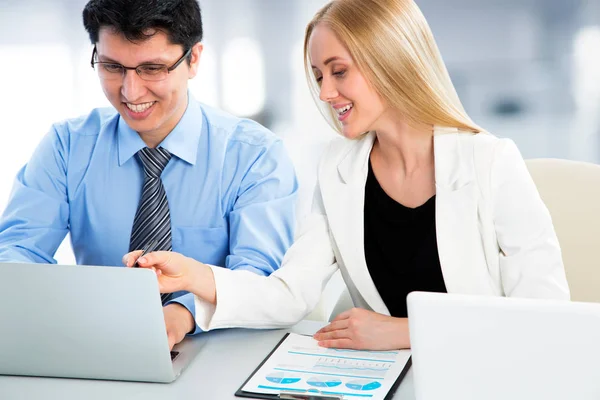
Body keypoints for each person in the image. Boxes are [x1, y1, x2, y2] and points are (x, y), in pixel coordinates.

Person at [124, 0, 570, 350]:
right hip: (385, 379)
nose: (324, 92)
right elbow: (290, 294)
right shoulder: (339, 168)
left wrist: (403, 331)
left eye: (339, 72)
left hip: (481, 374)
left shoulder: (490, 162)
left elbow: (545, 315)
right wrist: (191, 274)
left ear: (392, 62)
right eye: (319, 75)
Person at [0, 0, 298, 350]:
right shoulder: (67, 146)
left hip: (219, 346)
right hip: (96, 344)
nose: (130, 91)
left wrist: (182, 315)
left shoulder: (254, 154)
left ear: (194, 59)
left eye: (152, 68)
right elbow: (17, 255)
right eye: (112, 66)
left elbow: (258, 277)